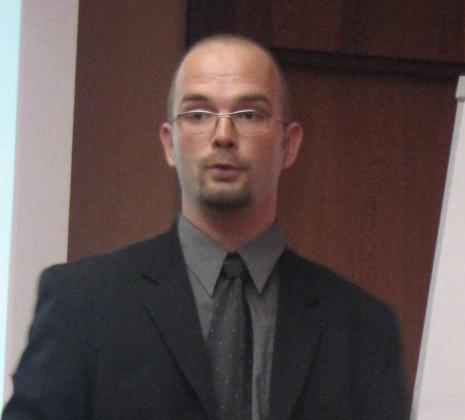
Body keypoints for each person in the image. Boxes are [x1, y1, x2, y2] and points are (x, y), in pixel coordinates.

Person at [2, 34, 407, 420]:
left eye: (248, 115)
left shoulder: (361, 328)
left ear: (290, 144)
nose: (223, 135)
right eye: (198, 114)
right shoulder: (82, 304)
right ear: (169, 143)